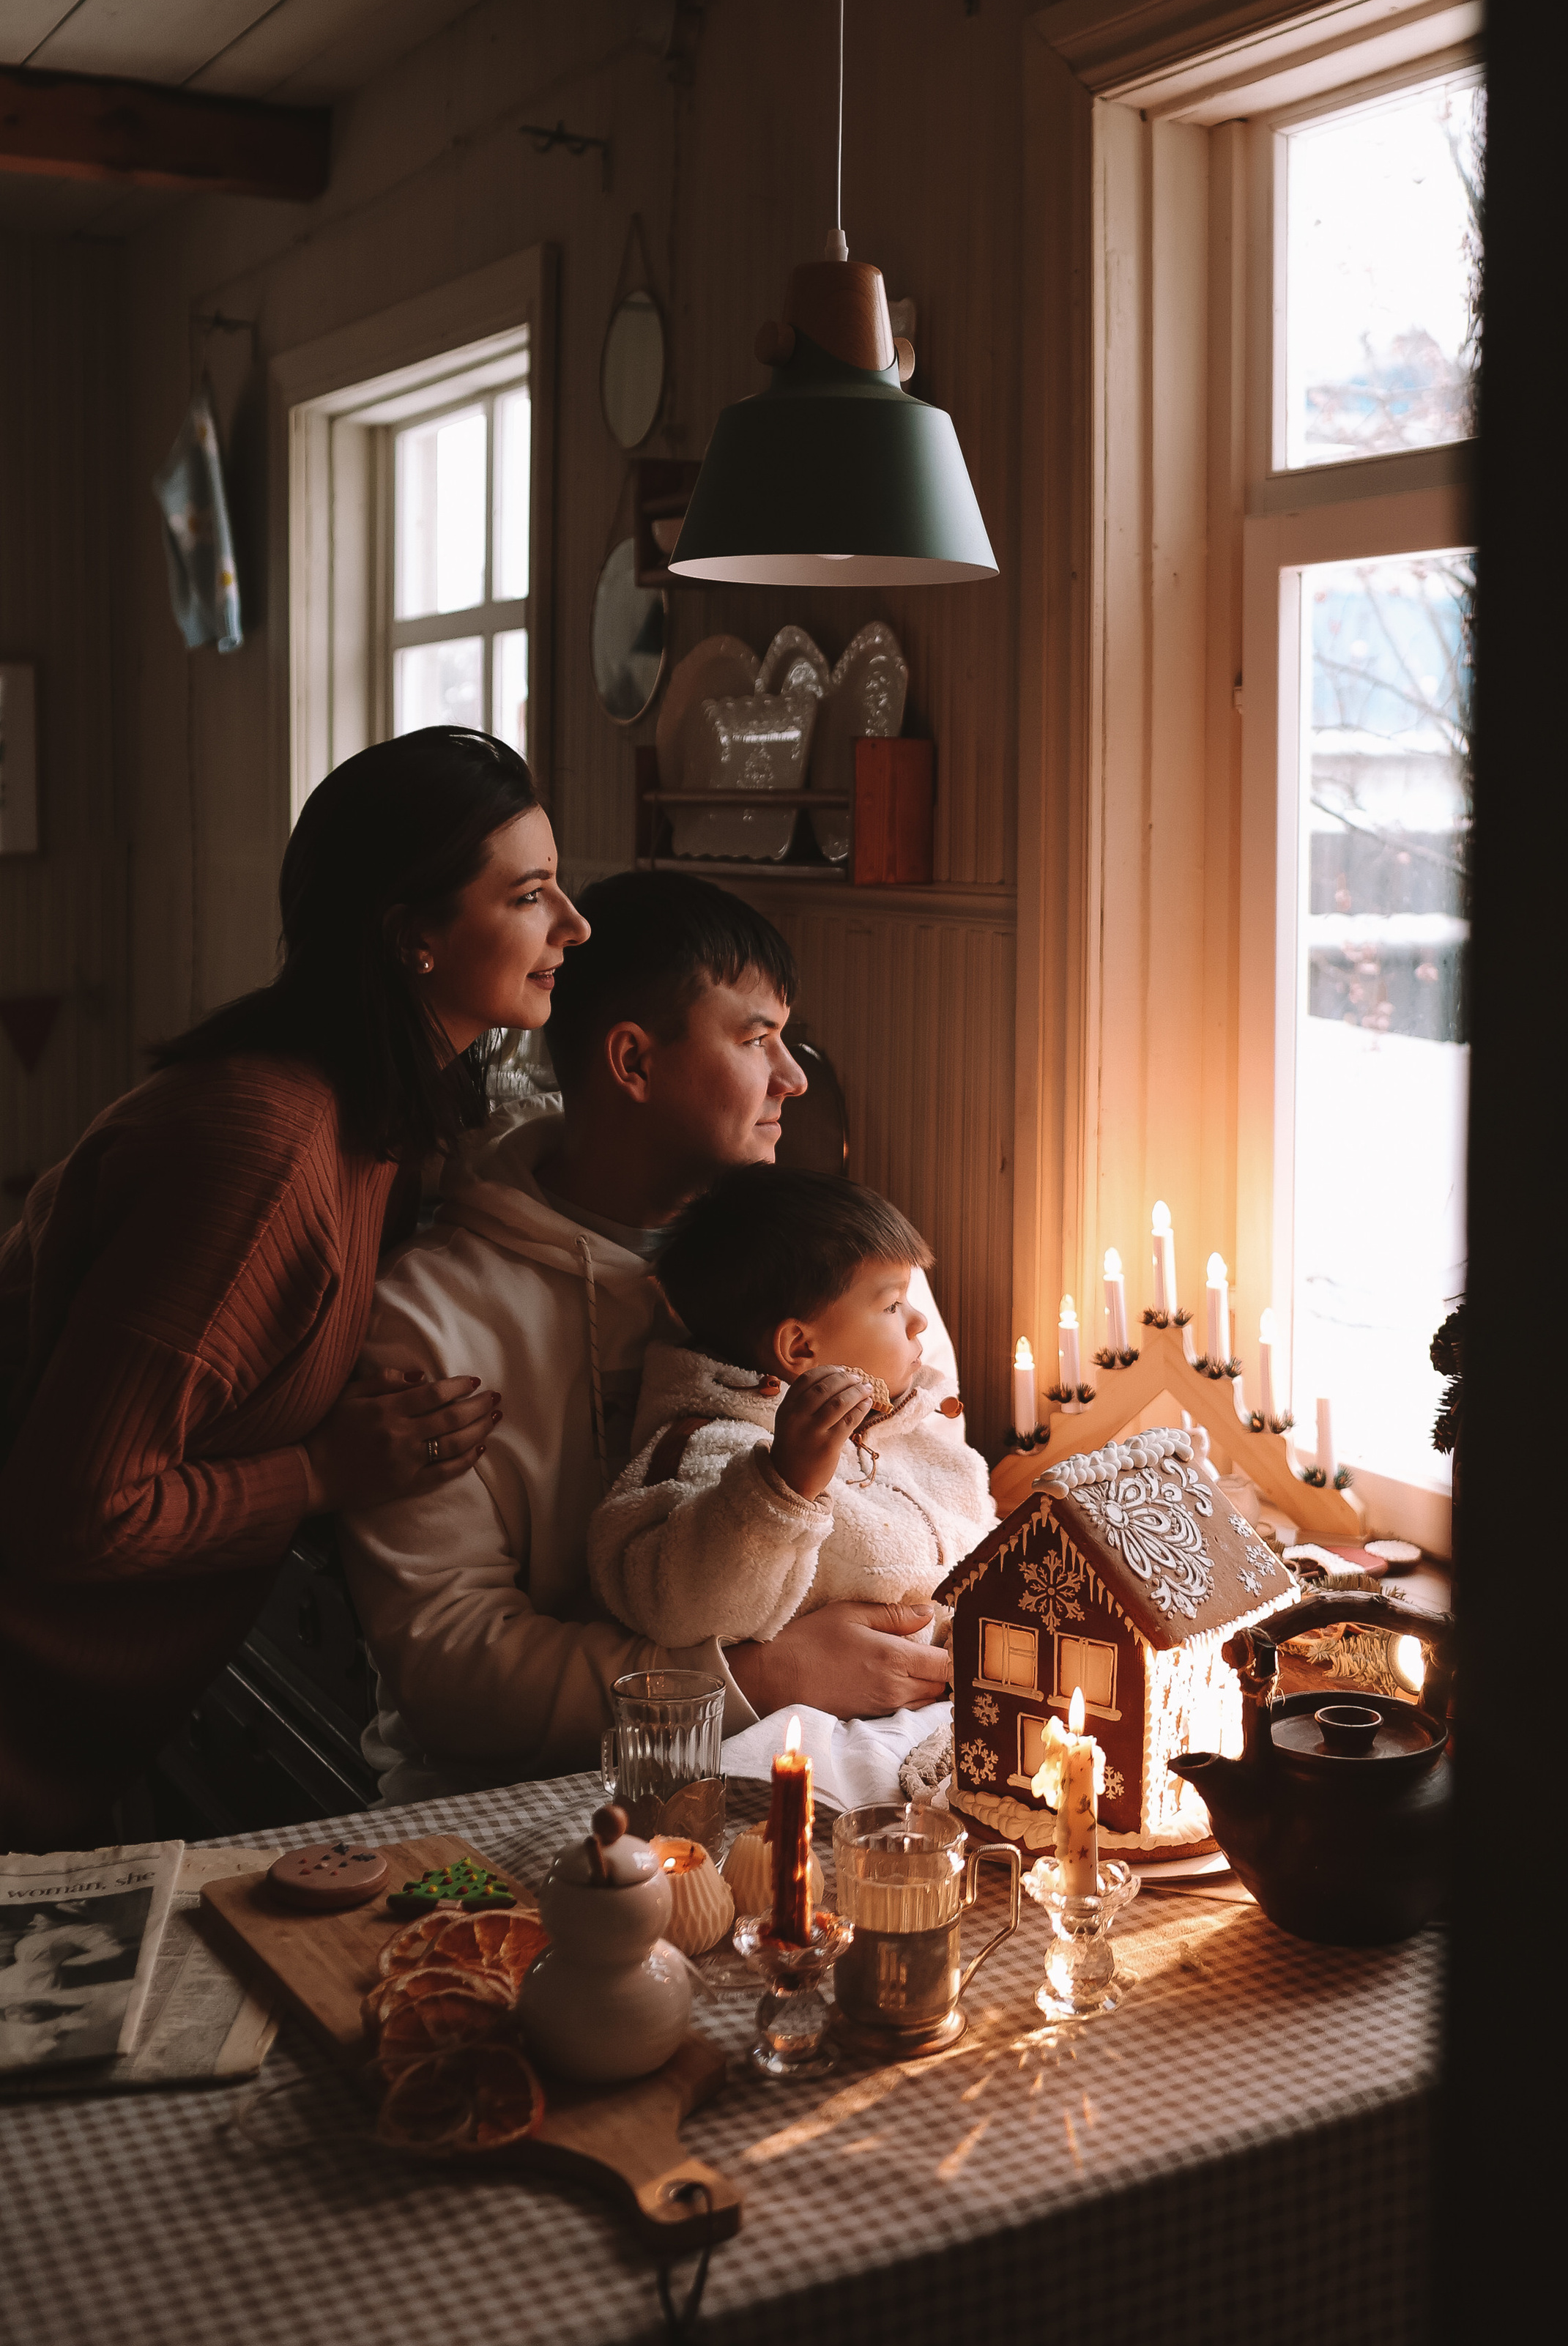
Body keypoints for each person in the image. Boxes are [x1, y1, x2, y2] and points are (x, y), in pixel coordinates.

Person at [0, 728, 588, 1849]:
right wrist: (320, 1472)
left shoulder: (383, 1117)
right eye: (531, 895)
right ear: (412, 936)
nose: (575, 926)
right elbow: (67, 1519)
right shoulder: (267, 1151)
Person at [340, 872, 956, 1805]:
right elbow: (450, 1666)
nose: (793, 1076)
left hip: (835, 1769)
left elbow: (939, 1497)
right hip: (523, 1800)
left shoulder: (844, 1267)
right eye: (756, 1038)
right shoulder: (429, 1313)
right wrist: (761, 1675)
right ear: (632, 1062)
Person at [589, 1170, 993, 1648]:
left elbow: (983, 1543)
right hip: (836, 1716)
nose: (919, 1319)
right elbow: (681, 1609)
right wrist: (783, 1488)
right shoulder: (719, 1455)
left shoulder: (915, 1435)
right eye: (892, 1305)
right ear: (800, 1347)